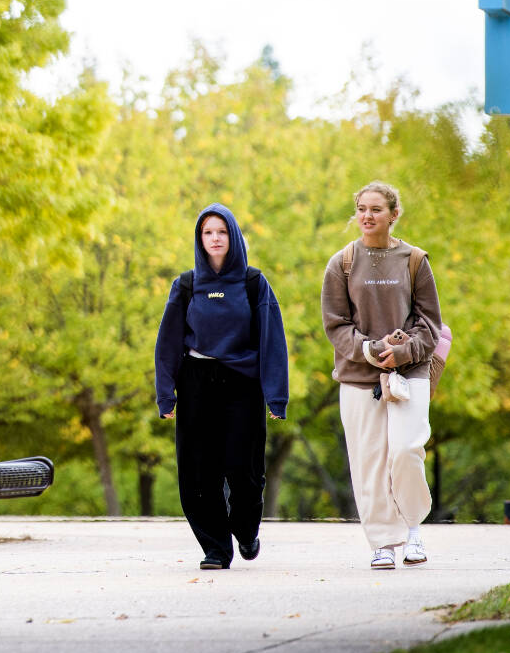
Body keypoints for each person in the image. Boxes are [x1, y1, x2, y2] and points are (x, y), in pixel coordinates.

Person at [154, 202, 290, 569]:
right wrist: (166, 393)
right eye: (207, 232)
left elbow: (272, 341)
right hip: (197, 381)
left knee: (244, 473)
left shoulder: (252, 282)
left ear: (233, 236)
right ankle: (216, 548)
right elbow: (167, 343)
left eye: (222, 231)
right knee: (199, 473)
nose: (215, 238)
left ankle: (246, 532)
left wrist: (276, 396)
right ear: (200, 239)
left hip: (242, 385)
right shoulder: (185, 285)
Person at [322, 180, 444, 570]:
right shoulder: (341, 263)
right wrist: (369, 351)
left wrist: (403, 350)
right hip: (359, 377)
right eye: (361, 209)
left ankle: (413, 530)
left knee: (407, 450)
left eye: (376, 209)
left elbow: (431, 324)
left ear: (394, 215)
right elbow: (336, 324)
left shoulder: (415, 260)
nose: (367, 216)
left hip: (410, 373)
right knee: (369, 461)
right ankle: (382, 543)